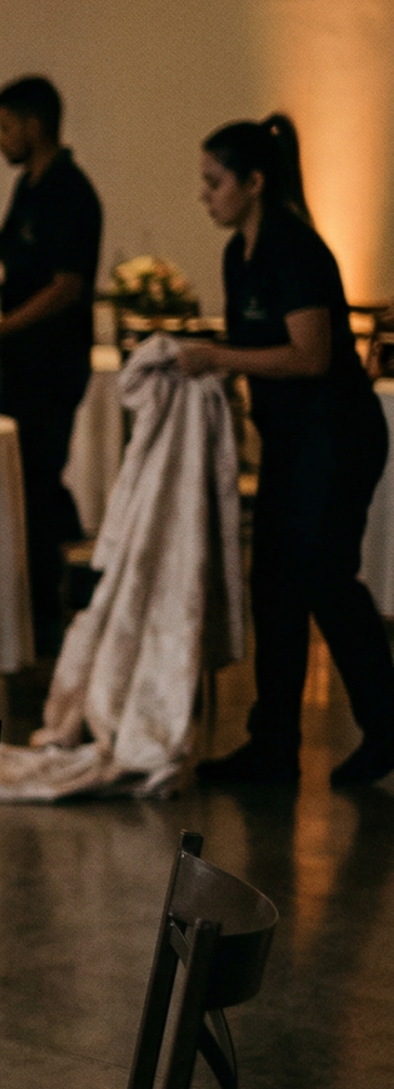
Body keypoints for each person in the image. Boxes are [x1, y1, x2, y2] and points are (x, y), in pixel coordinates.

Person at [185, 117, 394, 787]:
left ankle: (386, 726)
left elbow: (311, 355)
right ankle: (273, 744)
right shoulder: (237, 254)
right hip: (293, 441)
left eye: (215, 183)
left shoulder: (295, 248)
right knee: (273, 586)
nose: (205, 196)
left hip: (336, 436)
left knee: (325, 579)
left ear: (254, 183)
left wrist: (216, 358)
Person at [0, 77, 102, 649]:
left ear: (33, 125)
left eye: (5, 126)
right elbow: (21, 254)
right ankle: (49, 599)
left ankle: (50, 615)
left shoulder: (72, 192)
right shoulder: (30, 187)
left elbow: (65, 286)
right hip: (23, 360)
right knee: (26, 478)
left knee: (36, 477)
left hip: (52, 363)